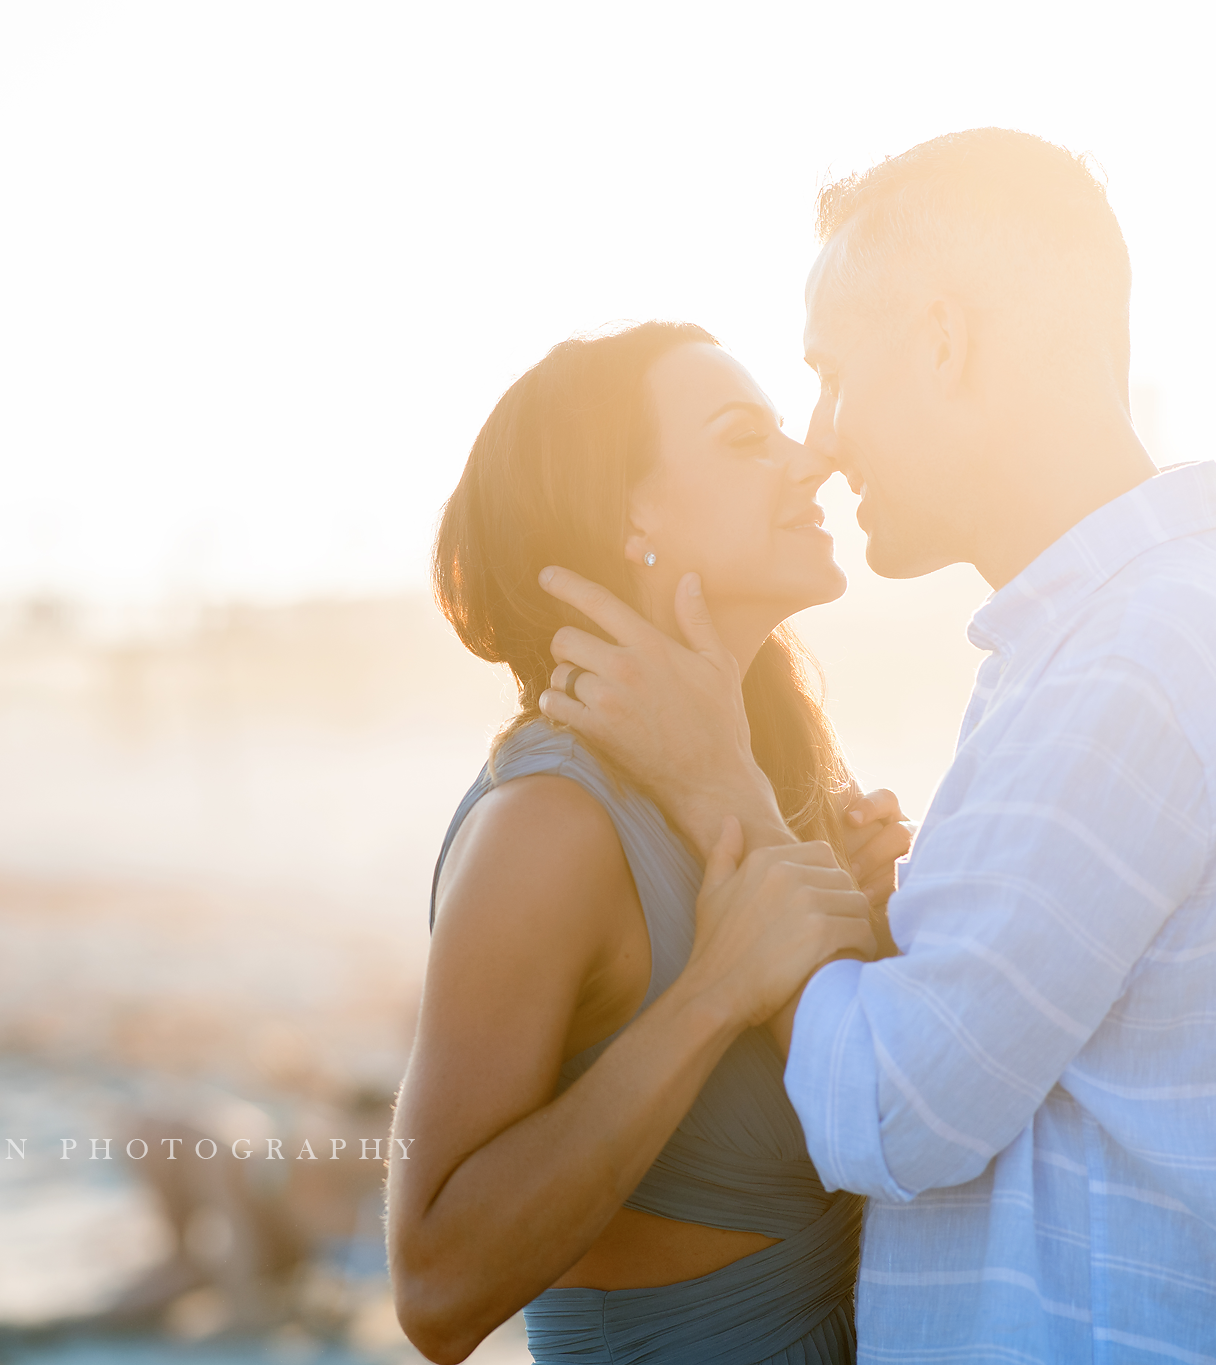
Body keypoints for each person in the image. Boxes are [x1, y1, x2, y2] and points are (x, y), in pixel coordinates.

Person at [537, 129, 1216, 1363]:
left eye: (832, 376)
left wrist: (714, 779)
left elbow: (892, 1114)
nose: (820, 439)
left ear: (944, 346)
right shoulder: (1113, 633)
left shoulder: (1137, 657)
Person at [385, 320, 916, 1364]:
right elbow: (434, 1291)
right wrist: (710, 997)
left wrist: (877, 941)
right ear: (628, 516)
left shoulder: (780, 771)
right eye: (742, 438)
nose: (812, 460)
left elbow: (882, 1130)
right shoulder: (547, 828)